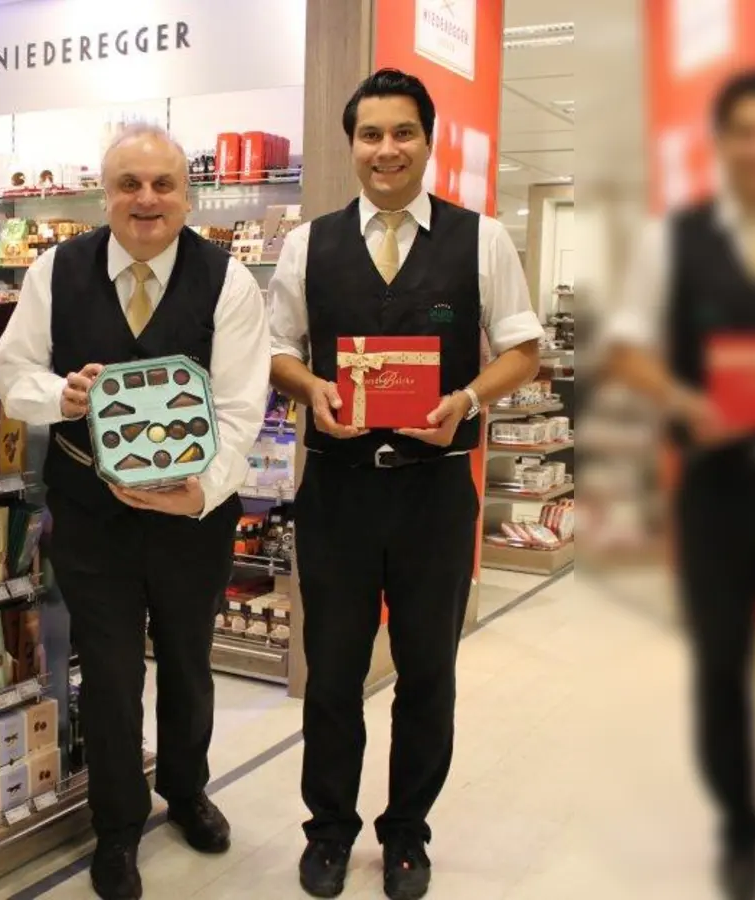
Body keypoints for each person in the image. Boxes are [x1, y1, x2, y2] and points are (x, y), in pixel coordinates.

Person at [267, 69, 542, 900]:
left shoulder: (480, 238)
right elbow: (279, 347)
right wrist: (311, 390)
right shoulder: (308, 243)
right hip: (339, 492)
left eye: (402, 133)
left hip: (435, 488)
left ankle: (407, 834)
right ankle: (329, 831)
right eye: (370, 134)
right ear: (351, 144)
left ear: (427, 140)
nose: (386, 149)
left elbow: (523, 349)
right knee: (334, 671)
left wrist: (465, 398)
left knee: (427, 672)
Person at [0, 122, 271, 900]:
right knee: (110, 675)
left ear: (188, 194)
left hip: (194, 513)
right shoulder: (57, 270)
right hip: (92, 510)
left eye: (162, 185)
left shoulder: (229, 282)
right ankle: (116, 828)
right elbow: (10, 373)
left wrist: (201, 493)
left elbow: (244, 408)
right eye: (128, 185)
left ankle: (185, 791)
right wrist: (61, 395)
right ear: (105, 194)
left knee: (187, 661)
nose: (146, 200)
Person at [601, 69, 755, 900]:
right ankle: (743, 830)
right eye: (744, 132)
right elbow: (628, 348)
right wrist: (686, 400)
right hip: (713, 493)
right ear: (721, 145)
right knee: (720, 667)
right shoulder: (671, 240)